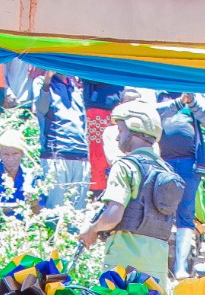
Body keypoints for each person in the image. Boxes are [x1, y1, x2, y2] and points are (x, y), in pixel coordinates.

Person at [77, 99, 185, 284]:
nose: (117, 138)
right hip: (157, 266)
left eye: (120, 131)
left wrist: (92, 229)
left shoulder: (125, 166)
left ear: (135, 128)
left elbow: (113, 216)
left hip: (123, 265)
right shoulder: (166, 170)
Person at [159, 92, 205, 270]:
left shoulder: (195, 97)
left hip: (189, 163)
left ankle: (180, 266)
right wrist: (179, 102)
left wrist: (192, 103)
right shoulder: (158, 95)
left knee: (186, 211)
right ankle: (159, 262)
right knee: (160, 209)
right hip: (162, 163)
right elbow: (154, 114)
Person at [36, 69, 88, 208]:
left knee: (79, 209)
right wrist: (47, 81)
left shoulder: (75, 87)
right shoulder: (41, 82)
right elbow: (41, 109)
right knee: (55, 208)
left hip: (81, 154)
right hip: (56, 153)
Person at [0, 126, 34, 210]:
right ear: (0, 155)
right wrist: (18, 207)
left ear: (22, 154)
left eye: (15, 154)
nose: (10, 158)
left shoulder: (30, 175)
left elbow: (38, 207)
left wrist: (34, 203)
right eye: (6, 154)